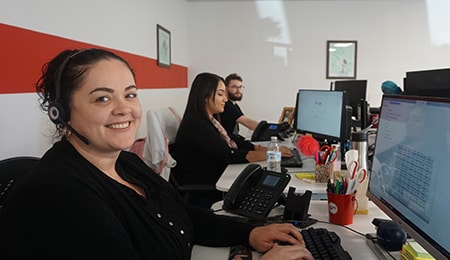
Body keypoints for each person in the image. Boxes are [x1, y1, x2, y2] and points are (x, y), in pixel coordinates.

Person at [0, 49, 312, 260]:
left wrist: (251, 231)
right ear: (62, 112)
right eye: (102, 98)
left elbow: (181, 213)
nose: (124, 109)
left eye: (130, 94)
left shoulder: (126, 162)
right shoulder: (59, 194)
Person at [171, 72, 292, 208]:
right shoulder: (197, 124)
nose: (225, 99)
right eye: (220, 94)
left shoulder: (209, 119)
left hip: (216, 172)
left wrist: (261, 149)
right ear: (205, 96)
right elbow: (228, 154)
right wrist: (273, 154)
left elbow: (231, 138)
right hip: (206, 183)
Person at [220, 73, 259, 138]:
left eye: (240, 87)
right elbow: (249, 123)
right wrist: (270, 129)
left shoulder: (234, 105)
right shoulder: (227, 105)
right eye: (234, 87)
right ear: (226, 88)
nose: (238, 91)